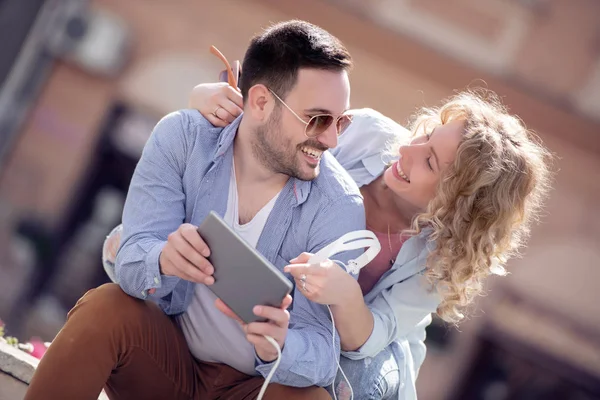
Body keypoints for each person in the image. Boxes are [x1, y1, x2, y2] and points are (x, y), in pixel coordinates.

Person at [107, 82, 550, 400]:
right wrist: (208, 98)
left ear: (457, 207)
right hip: (282, 291)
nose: (407, 151)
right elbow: (278, 135)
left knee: (346, 384)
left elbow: (369, 337)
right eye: (425, 136)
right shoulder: (368, 133)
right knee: (142, 249)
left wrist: (344, 297)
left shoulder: (440, 258)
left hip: (355, 348)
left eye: (430, 161)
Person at [25, 20, 366, 400]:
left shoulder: (339, 206)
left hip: (253, 389)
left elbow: (323, 352)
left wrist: (283, 344)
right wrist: (163, 259)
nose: (332, 139)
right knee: (104, 307)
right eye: (318, 119)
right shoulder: (183, 138)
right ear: (261, 102)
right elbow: (132, 259)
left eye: (342, 121)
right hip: (167, 361)